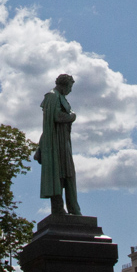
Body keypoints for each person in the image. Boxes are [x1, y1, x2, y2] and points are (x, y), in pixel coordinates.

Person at [37, 73, 81, 216]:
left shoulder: (61, 97)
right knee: (58, 174)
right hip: (56, 143)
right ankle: (58, 209)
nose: (70, 90)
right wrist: (72, 117)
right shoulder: (52, 96)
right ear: (64, 85)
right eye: (70, 86)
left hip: (64, 141)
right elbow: (56, 116)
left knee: (68, 174)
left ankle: (74, 209)